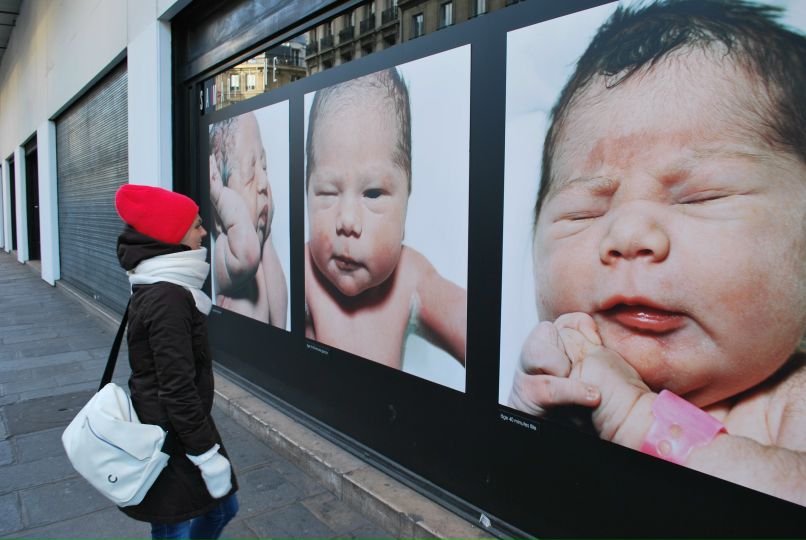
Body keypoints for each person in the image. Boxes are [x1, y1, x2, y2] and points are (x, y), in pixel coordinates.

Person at [507, 0, 806, 506]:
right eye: (583, 211)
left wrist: (635, 417)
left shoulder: (792, 400)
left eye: (700, 198)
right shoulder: (569, 386)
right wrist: (526, 415)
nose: (627, 235)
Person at [305, 68, 467, 369]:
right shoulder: (304, 275)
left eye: (374, 194)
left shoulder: (411, 277)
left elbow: (479, 331)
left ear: (407, 199)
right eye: (327, 192)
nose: (347, 221)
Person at [115, 184, 239, 539]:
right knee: (180, 526)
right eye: (197, 225)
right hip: (170, 435)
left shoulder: (160, 283)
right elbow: (177, 387)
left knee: (220, 509)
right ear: (173, 233)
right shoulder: (167, 297)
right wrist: (205, 452)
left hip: (176, 425)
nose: (204, 232)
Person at [209, 111, 288, 328]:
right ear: (219, 214)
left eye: (264, 167)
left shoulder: (263, 250)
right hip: (236, 357)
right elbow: (249, 254)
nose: (263, 182)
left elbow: (279, 303)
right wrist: (219, 196)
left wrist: (267, 232)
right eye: (250, 174)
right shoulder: (225, 251)